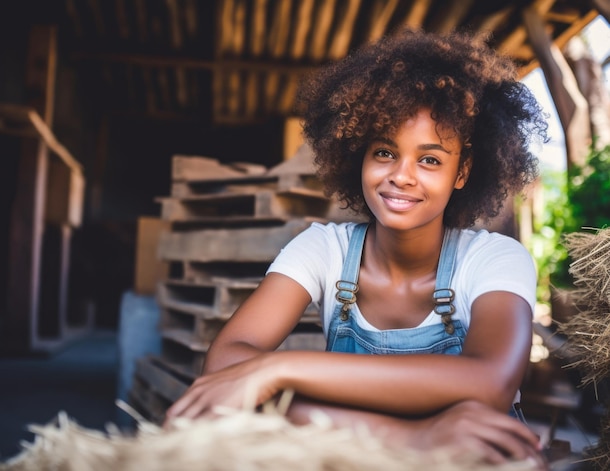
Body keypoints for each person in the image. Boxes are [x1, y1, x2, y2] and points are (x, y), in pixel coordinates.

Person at [165, 29, 548, 467]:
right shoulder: (323, 249)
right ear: (359, 156)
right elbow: (223, 370)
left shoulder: (494, 259)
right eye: (385, 152)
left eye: (429, 159)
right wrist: (412, 436)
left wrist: (275, 370)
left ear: (462, 173)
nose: (401, 176)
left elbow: (489, 381)